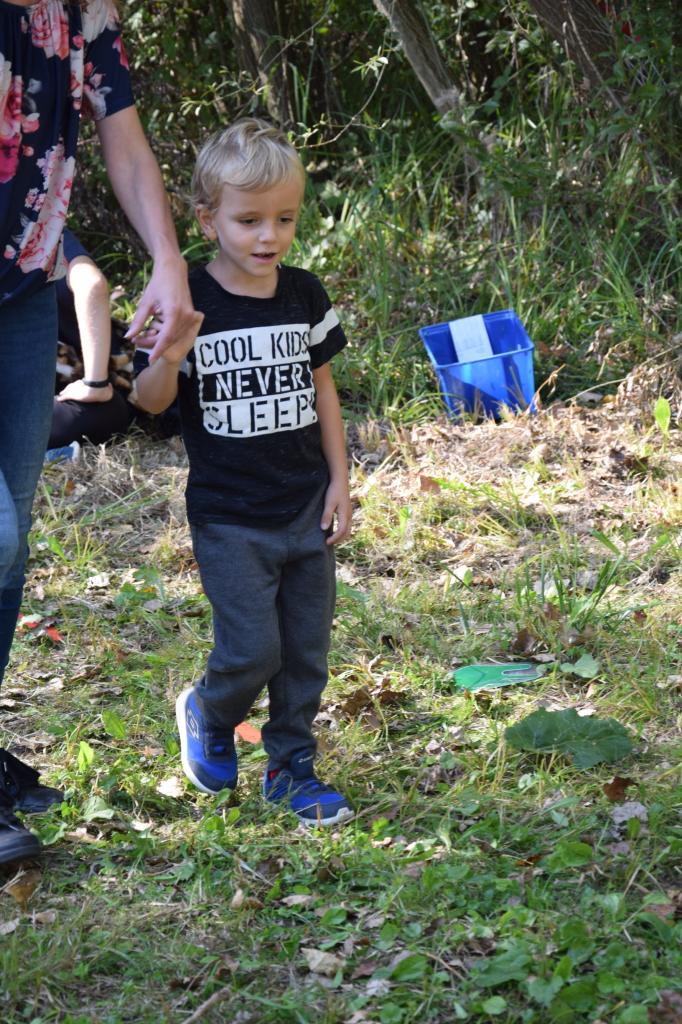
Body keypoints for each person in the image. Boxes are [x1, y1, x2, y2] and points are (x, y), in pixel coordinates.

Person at [0, 0, 200, 865]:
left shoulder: (81, 12)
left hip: (23, 292)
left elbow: (123, 139)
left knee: (11, 545)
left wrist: (168, 260)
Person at [133, 118, 354, 828]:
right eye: (249, 220)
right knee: (254, 649)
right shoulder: (189, 300)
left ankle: (292, 770)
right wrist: (171, 352)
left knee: (306, 654)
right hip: (229, 517)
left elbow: (323, 390)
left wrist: (341, 481)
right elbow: (149, 403)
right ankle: (209, 708)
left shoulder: (303, 294)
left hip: (305, 506)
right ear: (208, 219)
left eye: (284, 219)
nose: (269, 236)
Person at [48, 227, 135, 454]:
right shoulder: (39, 224)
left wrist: (95, 384)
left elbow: (92, 285)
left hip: (87, 399)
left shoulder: (37, 230)